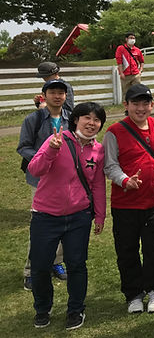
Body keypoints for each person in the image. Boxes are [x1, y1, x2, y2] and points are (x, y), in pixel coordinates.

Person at [27, 102, 107, 330]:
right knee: (41, 266)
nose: (91, 123)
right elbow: (35, 170)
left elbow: (98, 185)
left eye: (97, 120)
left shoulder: (98, 150)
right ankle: (43, 308)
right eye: (87, 118)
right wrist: (52, 149)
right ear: (75, 119)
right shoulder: (57, 140)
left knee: (76, 265)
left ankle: (76, 310)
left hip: (79, 217)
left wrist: (99, 215)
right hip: (45, 216)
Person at [103, 83, 154, 314]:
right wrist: (125, 180)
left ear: (152, 105)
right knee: (127, 249)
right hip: (125, 204)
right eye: (135, 103)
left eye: (145, 103)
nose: (140, 108)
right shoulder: (114, 132)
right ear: (126, 105)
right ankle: (133, 293)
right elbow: (109, 165)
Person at [17, 79, 71, 290]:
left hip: (64, 179)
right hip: (40, 180)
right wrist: (44, 158)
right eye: (53, 92)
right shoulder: (34, 119)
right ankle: (31, 270)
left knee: (62, 222)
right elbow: (24, 147)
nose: (57, 96)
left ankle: (56, 262)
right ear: (44, 95)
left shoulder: (70, 119)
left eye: (61, 93)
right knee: (40, 225)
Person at [115, 32, 145, 102]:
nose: (132, 40)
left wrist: (140, 71)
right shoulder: (121, 48)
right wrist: (121, 73)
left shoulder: (137, 50)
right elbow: (119, 61)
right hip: (126, 75)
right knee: (126, 92)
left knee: (137, 91)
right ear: (126, 39)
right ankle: (127, 108)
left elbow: (142, 61)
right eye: (131, 38)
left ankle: (137, 106)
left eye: (134, 38)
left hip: (135, 74)